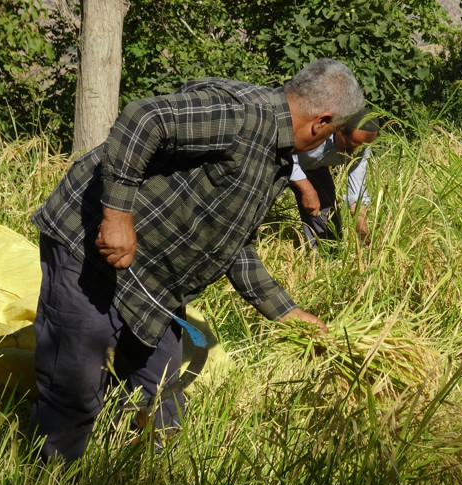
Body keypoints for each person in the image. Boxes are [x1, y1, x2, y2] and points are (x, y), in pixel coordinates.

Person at [28, 58, 365, 462]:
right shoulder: (243, 116)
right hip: (87, 249)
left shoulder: (274, 155)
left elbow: (233, 244)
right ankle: (49, 476)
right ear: (321, 122)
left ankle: (137, 477)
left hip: (152, 278)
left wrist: (287, 312)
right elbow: (143, 118)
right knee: (74, 391)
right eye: (332, 132)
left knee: (163, 392)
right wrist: (116, 216)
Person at [289, 109, 379, 247]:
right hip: (277, 162)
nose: (352, 152)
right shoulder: (316, 126)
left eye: (359, 148)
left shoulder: (360, 146)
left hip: (313, 169)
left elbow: (357, 188)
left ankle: (324, 257)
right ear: (338, 129)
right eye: (349, 146)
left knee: (328, 222)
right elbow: (285, 153)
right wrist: (307, 189)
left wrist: (361, 228)